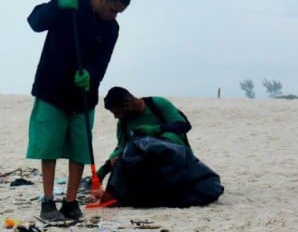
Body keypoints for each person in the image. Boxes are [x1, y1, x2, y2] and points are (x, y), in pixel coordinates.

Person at [25, 0, 130, 222]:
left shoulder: (111, 29)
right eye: (113, 10)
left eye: (119, 13)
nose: (115, 16)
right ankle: (48, 202)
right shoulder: (70, 5)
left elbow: (102, 64)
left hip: (83, 97)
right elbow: (34, 21)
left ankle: (70, 203)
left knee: (79, 150)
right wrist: (59, 5)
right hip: (51, 89)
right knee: (48, 147)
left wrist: (90, 76)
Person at [93, 86, 223, 207]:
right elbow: (122, 148)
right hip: (149, 170)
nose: (116, 117)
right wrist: (103, 171)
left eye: (117, 112)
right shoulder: (123, 123)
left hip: (175, 161)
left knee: (166, 137)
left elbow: (183, 125)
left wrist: (155, 130)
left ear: (127, 103)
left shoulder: (158, 105)